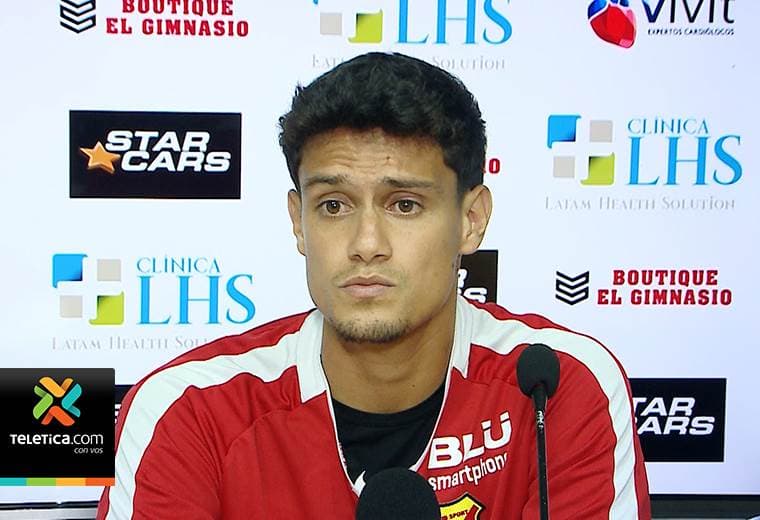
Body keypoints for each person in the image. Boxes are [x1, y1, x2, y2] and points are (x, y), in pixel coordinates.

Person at [97, 52, 650, 519]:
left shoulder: (561, 387)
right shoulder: (187, 410)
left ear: (471, 220)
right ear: (298, 222)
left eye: (404, 205)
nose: (366, 244)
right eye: (333, 206)